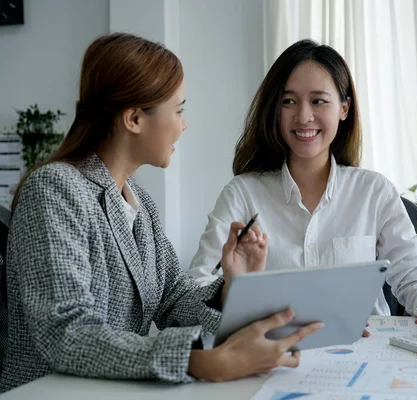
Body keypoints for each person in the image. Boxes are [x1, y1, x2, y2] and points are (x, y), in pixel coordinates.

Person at [0, 32, 323, 393]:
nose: (183, 125)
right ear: (134, 118)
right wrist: (202, 362)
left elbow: (172, 298)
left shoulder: (140, 203)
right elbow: (66, 333)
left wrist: (231, 287)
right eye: (179, 110)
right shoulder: (54, 189)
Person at [189, 39, 417, 338]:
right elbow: (196, 285)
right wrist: (232, 291)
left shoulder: (373, 191)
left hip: (364, 354)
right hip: (272, 356)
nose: (303, 116)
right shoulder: (243, 194)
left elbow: (411, 272)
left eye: (318, 101)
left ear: (344, 108)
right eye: (288, 101)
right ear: (274, 109)